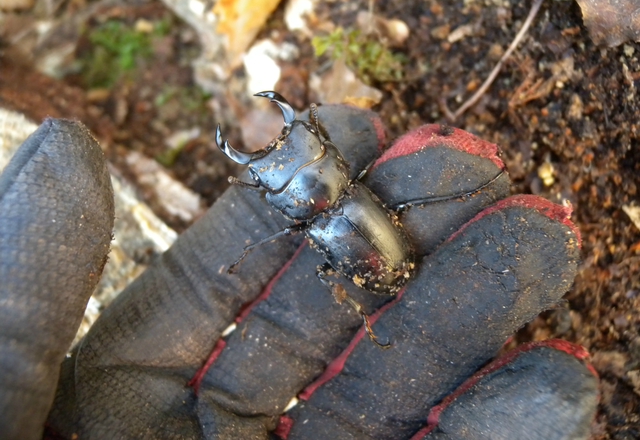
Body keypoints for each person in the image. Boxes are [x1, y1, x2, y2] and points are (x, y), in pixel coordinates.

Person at [0, 103, 597, 439]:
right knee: (375, 232)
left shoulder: (312, 219)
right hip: (367, 249)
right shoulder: (326, 210)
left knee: (381, 226)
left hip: (372, 254)